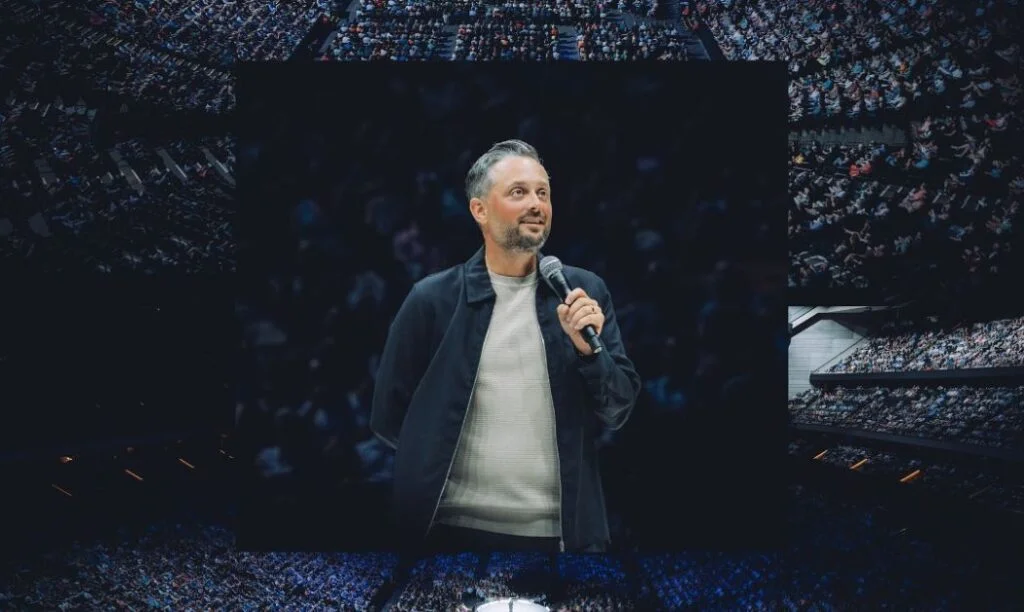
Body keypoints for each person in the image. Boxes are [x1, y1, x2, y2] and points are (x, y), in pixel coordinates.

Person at [371, 139, 641, 553]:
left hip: (560, 536)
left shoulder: (585, 292)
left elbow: (618, 409)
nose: (536, 203)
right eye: (519, 192)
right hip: (445, 535)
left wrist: (589, 351)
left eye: (543, 193)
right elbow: (390, 419)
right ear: (479, 210)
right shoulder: (431, 299)